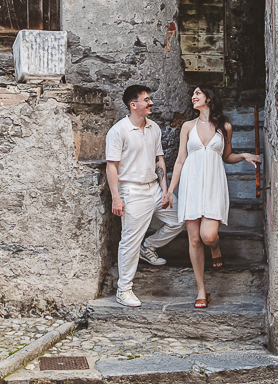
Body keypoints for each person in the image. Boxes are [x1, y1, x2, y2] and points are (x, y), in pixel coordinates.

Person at [166, 85, 262, 309]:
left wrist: (244, 155)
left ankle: (215, 248)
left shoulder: (224, 127)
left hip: (213, 184)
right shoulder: (188, 127)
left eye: (197, 94)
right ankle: (201, 290)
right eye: (193, 94)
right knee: (194, 239)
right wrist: (170, 190)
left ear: (208, 98)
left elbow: (226, 156)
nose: (193, 97)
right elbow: (180, 160)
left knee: (208, 236)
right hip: (191, 183)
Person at [105, 84, 185, 307]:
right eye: (147, 100)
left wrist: (166, 190)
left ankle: (148, 246)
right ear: (134, 105)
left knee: (179, 219)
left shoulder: (154, 128)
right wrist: (116, 198)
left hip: (154, 188)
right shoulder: (118, 131)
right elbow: (111, 167)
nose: (151, 103)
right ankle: (124, 290)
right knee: (129, 241)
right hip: (132, 190)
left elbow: (159, 161)